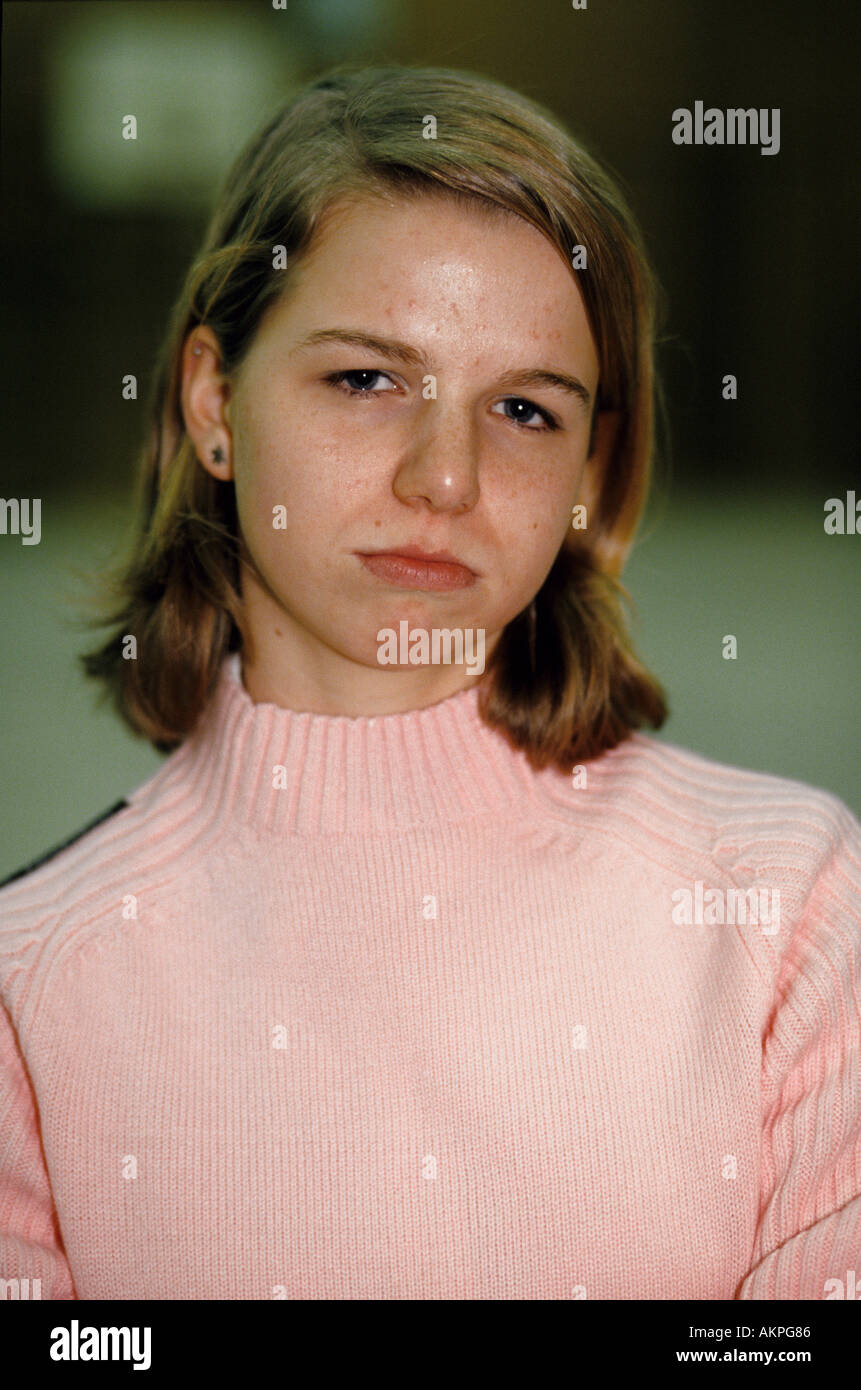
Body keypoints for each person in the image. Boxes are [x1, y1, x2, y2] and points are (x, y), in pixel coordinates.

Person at [1, 64, 858, 1301]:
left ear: (588, 469)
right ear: (212, 403)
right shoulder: (35, 989)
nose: (444, 478)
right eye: (366, 379)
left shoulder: (787, 910)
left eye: (522, 407)